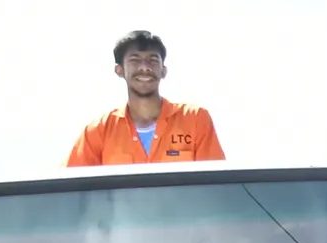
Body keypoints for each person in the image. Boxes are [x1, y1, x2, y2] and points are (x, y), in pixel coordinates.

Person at [67, 31, 225, 166]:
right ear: (119, 70)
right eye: (135, 60)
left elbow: (217, 186)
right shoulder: (99, 131)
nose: (145, 67)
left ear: (163, 71)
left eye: (153, 60)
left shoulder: (195, 120)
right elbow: (70, 187)